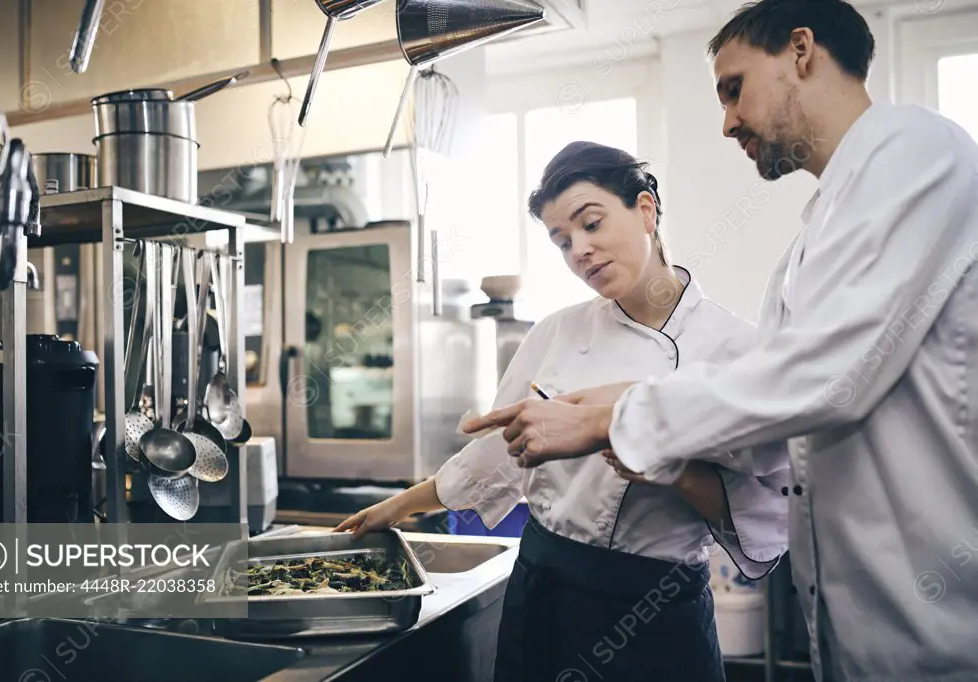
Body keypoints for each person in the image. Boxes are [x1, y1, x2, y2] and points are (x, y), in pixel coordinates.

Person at [462, 1, 978, 681]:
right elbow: (777, 428)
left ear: (800, 50)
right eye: (561, 241)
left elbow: (821, 380)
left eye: (733, 87)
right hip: (866, 630)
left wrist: (613, 421)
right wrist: (627, 412)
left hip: (932, 626)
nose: (727, 121)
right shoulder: (812, 239)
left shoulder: (914, 151)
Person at [336, 141, 790, 682]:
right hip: (545, 587)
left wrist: (669, 470)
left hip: (654, 605)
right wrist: (399, 508)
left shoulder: (736, 348)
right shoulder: (557, 332)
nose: (580, 250)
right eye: (562, 240)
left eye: (591, 224)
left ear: (646, 210)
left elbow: (764, 510)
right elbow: (492, 456)